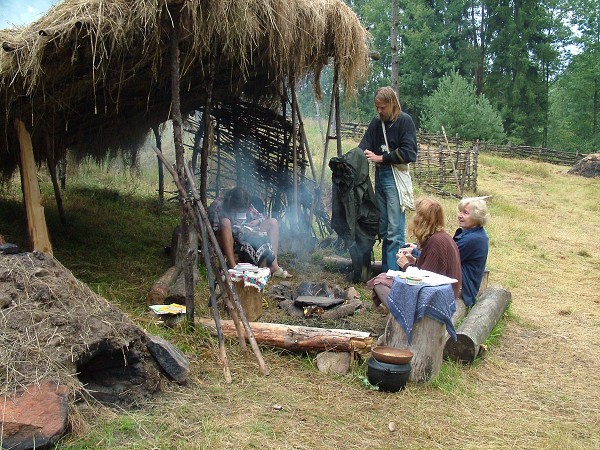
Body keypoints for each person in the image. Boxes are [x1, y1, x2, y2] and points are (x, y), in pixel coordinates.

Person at [359, 86, 418, 271]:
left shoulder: (405, 121)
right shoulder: (377, 123)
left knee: (395, 230)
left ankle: (394, 275)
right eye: (377, 107)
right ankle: (386, 272)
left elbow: (409, 153)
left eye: (382, 107)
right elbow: (364, 145)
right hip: (380, 175)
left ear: (392, 104)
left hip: (394, 177)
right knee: (384, 228)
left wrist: (381, 158)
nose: (379, 111)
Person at [368, 197, 462, 308]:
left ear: (422, 220)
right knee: (385, 277)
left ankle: (402, 316)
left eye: (417, 214)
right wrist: (414, 261)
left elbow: (425, 281)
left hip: (438, 300)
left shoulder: (436, 242)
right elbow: (433, 270)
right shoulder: (440, 236)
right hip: (443, 294)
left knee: (380, 282)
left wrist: (406, 265)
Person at [208, 187, 291, 278]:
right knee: (225, 222)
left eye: (242, 210)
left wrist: (257, 222)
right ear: (231, 202)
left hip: (242, 237)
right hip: (223, 238)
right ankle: (234, 267)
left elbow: (261, 216)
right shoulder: (218, 204)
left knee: (273, 222)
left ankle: (273, 265)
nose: (240, 212)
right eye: (237, 209)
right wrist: (233, 229)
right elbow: (213, 230)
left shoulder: (244, 202)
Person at [453, 197, 489, 307]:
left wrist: (416, 253)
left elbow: (445, 258)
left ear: (476, 217)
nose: (460, 215)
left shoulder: (472, 239)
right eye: (460, 211)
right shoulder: (472, 233)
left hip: (463, 289)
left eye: (465, 213)